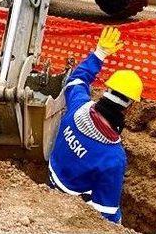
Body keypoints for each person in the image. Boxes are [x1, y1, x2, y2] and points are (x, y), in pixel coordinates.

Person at [48, 26, 142, 224]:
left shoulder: (78, 106)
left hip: (50, 181)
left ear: (107, 91)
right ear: (130, 108)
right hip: (70, 209)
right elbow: (105, 212)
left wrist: (99, 53)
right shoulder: (113, 158)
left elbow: (76, 80)